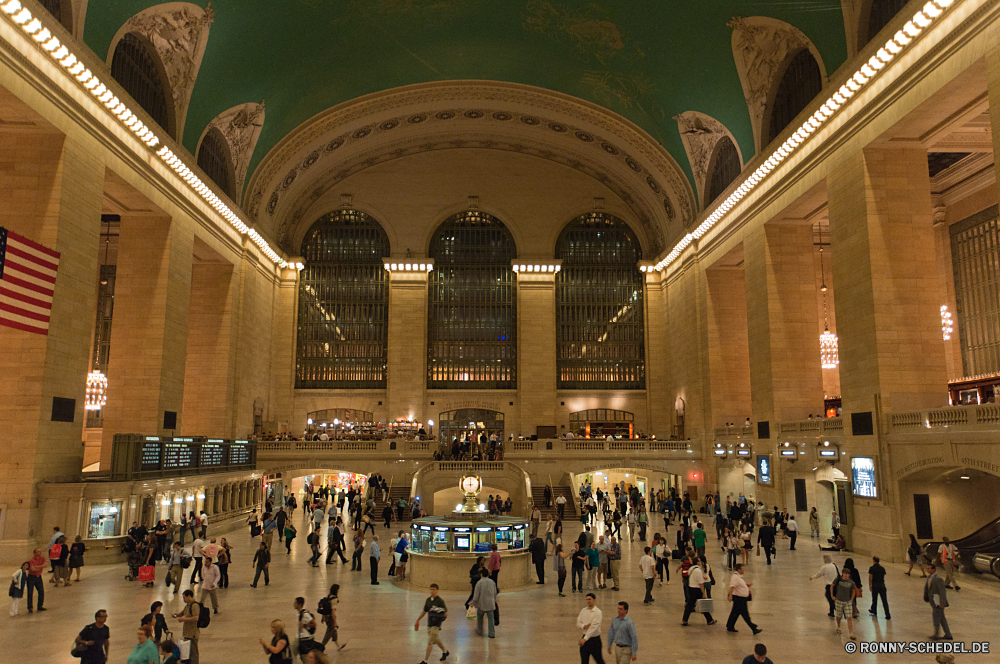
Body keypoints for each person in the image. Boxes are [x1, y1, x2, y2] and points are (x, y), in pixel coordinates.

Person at [414, 583, 449, 664]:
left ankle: (425, 661)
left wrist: (439, 621)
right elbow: (424, 611)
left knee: (430, 642)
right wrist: (418, 619)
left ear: (437, 590)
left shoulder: (440, 601)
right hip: (430, 623)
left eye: (433, 589)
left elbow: (445, 613)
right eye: (431, 589)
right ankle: (445, 651)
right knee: (436, 639)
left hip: (436, 624)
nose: (432, 591)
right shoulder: (428, 600)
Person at [726, 563, 761, 634]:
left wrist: (745, 586)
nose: (744, 570)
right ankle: (753, 627)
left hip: (741, 598)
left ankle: (730, 626)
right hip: (739, 599)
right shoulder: (735, 577)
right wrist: (730, 595)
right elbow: (732, 586)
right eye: (742, 569)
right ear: (738, 570)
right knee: (745, 614)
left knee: (735, 612)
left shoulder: (739, 577)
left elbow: (738, 585)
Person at [682, 557, 717, 626]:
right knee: (703, 604)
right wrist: (704, 593)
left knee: (690, 605)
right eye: (699, 561)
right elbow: (701, 583)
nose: (700, 562)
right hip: (697, 589)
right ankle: (709, 620)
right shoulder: (698, 570)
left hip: (691, 588)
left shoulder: (691, 568)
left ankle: (685, 619)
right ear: (697, 562)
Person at [925, 562, 953, 640]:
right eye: (927, 568)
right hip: (933, 601)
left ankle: (936, 635)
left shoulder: (938, 579)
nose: (927, 570)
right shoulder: (929, 578)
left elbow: (942, 592)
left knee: (936, 618)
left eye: (929, 568)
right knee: (942, 618)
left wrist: (942, 602)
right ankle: (948, 634)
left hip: (938, 602)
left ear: (933, 569)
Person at [173, 590, 202, 664]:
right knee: (188, 652)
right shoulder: (188, 605)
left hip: (192, 633)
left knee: (193, 652)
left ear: (189, 596)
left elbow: (196, 618)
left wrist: (184, 619)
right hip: (187, 632)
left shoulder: (194, 605)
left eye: (184, 597)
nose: (183, 599)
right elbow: (182, 613)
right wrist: (175, 615)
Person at [831, 567, 858, 639]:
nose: (845, 575)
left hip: (847, 602)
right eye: (844, 573)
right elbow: (832, 586)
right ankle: (838, 626)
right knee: (839, 615)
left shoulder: (851, 583)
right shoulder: (838, 580)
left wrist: (851, 600)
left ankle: (851, 633)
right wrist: (832, 596)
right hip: (839, 600)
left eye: (847, 574)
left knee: (849, 617)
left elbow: (853, 591)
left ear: (849, 575)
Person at [577, 592, 605, 664]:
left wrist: (584, 639)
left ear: (594, 600)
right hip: (585, 639)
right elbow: (578, 623)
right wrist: (584, 626)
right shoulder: (583, 610)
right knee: (584, 661)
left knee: (599, 660)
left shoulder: (598, 612)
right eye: (587, 599)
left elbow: (593, 627)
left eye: (590, 599)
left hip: (594, 640)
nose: (588, 601)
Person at [319, 584, 346, 651]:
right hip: (330, 618)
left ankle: (338, 646)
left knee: (333, 631)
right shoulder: (334, 599)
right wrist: (335, 622)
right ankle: (321, 647)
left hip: (326, 617)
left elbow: (325, 608)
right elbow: (332, 611)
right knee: (329, 633)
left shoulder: (329, 596)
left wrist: (323, 617)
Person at [472, 568, 497, 638]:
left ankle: (480, 630)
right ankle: (491, 633)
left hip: (481, 604)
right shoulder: (492, 582)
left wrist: (473, 603)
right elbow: (495, 593)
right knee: (491, 619)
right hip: (490, 604)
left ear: (481, 575)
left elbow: (476, 595)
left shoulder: (479, 583)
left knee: (480, 617)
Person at [868, 555, 890, 620]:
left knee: (874, 599)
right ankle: (887, 614)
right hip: (882, 585)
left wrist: (870, 585)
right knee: (884, 600)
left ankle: (874, 610)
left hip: (875, 585)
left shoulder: (872, 568)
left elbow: (870, 577)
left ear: (873, 560)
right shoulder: (882, 568)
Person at [26, 548, 45, 613]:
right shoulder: (31, 560)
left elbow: (45, 565)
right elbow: (32, 569)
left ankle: (40, 606)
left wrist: (38, 566)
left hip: (38, 576)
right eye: (38, 552)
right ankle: (30, 607)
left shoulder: (42, 558)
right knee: (30, 592)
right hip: (31, 577)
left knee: (41, 591)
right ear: (34, 553)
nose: (40, 553)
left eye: (40, 551)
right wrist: (40, 566)